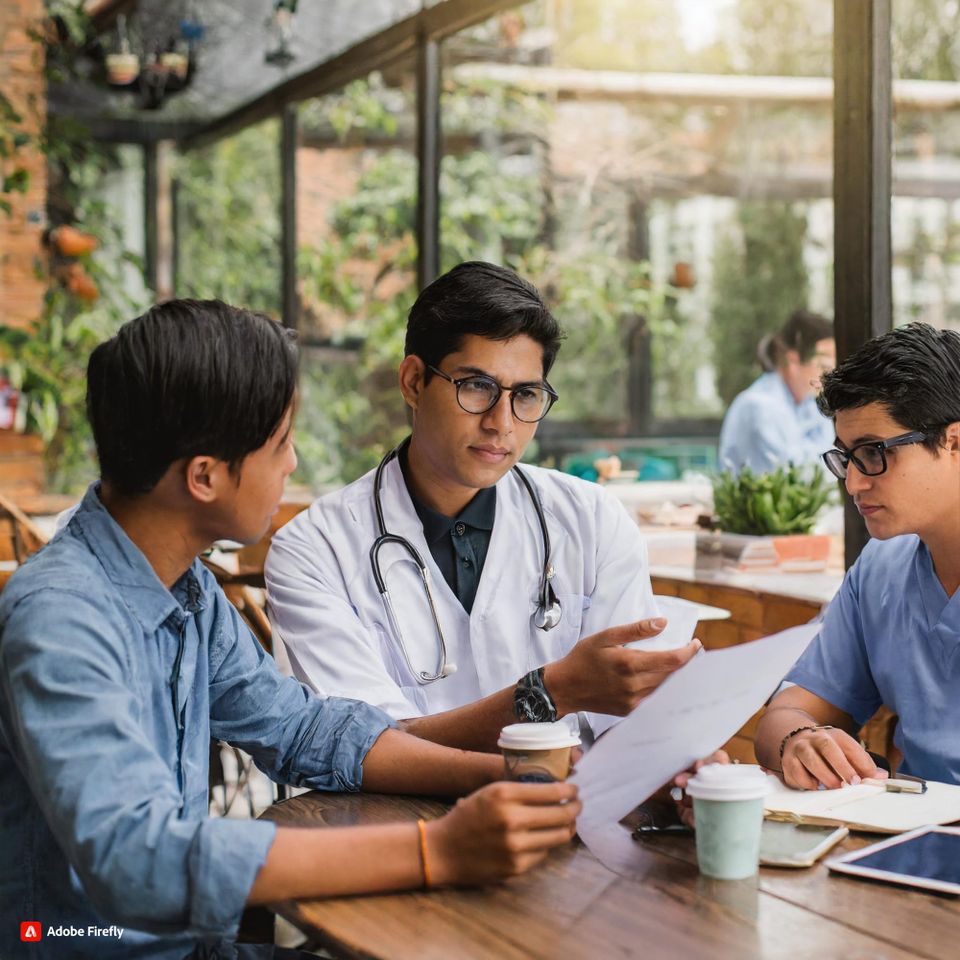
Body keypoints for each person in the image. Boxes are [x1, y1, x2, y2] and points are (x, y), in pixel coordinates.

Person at [0, 300, 583, 960]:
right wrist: (437, 850)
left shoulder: (186, 588)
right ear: (205, 476)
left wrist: (501, 776)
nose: (294, 463)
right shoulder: (60, 618)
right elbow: (140, 860)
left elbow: (306, 730)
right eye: (279, 443)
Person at [266, 261, 701, 754]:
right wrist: (549, 693)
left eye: (526, 395)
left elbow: (629, 726)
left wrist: (676, 764)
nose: (502, 423)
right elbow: (370, 749)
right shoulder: (313, 552)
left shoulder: (593, 521)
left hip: (569, 816)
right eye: (477, 387)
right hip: (397, 825)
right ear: (412, 382)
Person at [755, 322, 960, 789]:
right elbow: (787, 712)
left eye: (873, 453)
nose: (852, 483)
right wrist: (801, 740)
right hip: (911, 842)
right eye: (847, 457)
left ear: (953, 442)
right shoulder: (880, 570)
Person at [718, 310, 835, 475]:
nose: (829, 377)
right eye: (824, 366)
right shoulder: (760, 406)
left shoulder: (810, 406)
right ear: (793, 361)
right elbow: (804, 477)